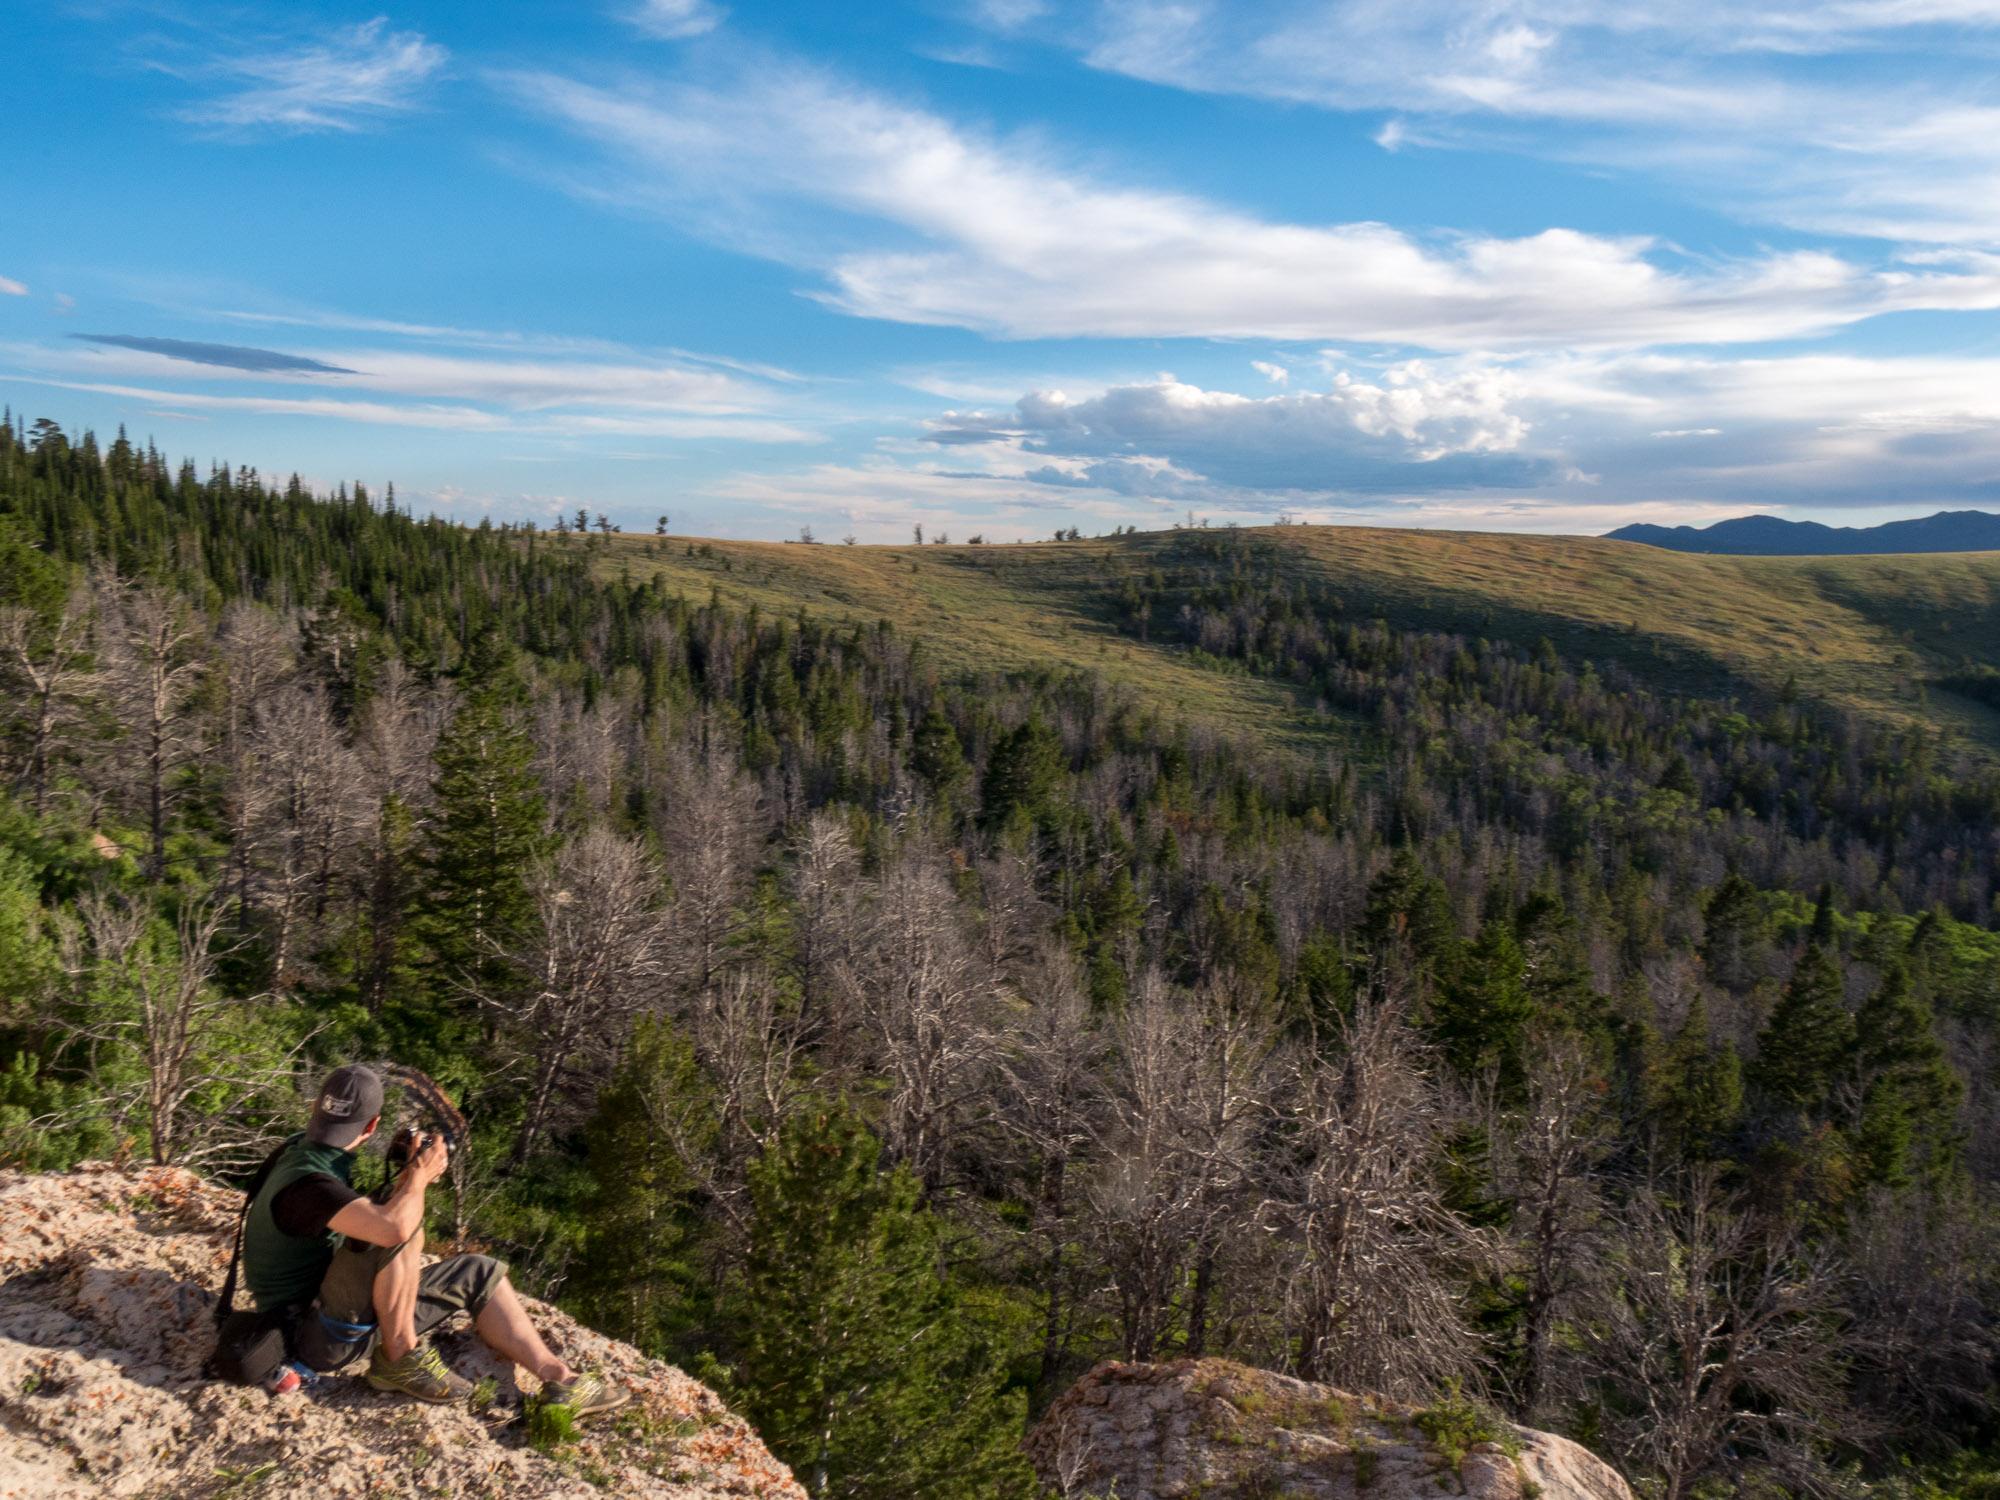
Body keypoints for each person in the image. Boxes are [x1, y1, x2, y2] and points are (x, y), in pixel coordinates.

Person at [242, 1063, 628, 1414]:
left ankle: (560, 1378)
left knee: (479, 1270)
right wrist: (419, 1177)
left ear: (315, 1109)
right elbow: (393, 1228)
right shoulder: (311, 1184)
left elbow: (367, 1217)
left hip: (332, 1311)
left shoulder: (300, 1150)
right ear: (372, 1126)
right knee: (401, 1226)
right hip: (313, 1339)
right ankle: (400, 1358)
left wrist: (410, 1176)